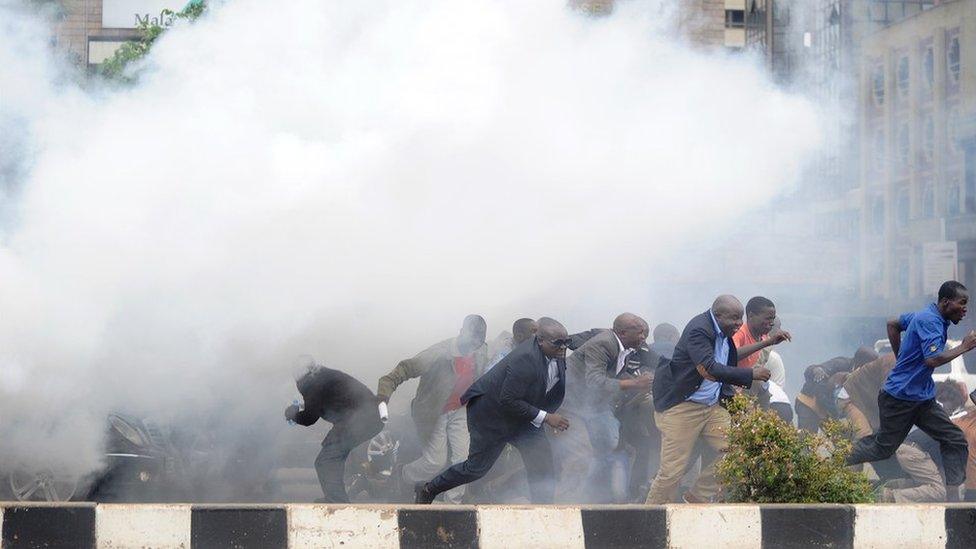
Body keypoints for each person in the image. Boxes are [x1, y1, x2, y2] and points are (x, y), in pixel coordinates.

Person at [415, 317, 571, 504]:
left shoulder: (558, 353)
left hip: (524, 418)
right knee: (475, 468)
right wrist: (546, 417)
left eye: (566, 342)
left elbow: (547, 389)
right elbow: (508, 399)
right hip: (493, 417)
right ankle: (428, 489)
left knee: (542, 464)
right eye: (558, 343)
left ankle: (544, 511)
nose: (563, 347)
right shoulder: (525, 358)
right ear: (540, 341)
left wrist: (549, 416)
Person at [847, 280, 976, 501]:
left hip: (921, 398)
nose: (965, 310)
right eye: (961, 304)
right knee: (883, 448)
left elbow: (892, 323)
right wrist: (963, 347)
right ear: (945, 302)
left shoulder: (927, 314)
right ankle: (840, 456)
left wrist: (901, 357)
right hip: (899, 398)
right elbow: (932, 359)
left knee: (954, 438)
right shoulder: (931, 321)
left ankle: (953, 497)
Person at [645, 296, 769, 504]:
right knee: (671, 472)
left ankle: (696, 497)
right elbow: (709, 369)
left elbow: (728, 360)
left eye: (741, 318)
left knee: (741, 452)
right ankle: (648, 519)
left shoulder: (725, 331)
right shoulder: (699, 330)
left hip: (711, 407)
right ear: (718, 315)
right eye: (734, 319)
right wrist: (751, 375)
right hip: (683, 407)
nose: (739, 324)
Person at [376, 315, 490, 503]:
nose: (473, 348)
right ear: (461, 332)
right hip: (434, 411)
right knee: (435, 462)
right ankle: (402, 475)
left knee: (463, 462)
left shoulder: (480, 348)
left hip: (461, 408)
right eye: (470, 342)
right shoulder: (439, 353)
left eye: (477, 344)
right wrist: (383, 394)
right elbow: (404, 369)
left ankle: (451, 504)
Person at [553, 313, 653, 502]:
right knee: (579, 456)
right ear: (623, 333)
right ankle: (564, 506)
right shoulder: (603, 344)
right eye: (640, 333)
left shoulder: (626, 347)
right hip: (572, 407)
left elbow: (613, 376)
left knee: (615, 448)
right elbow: (595, 381)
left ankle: (604, 498)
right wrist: (634, 384)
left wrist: (636, 382)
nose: (643, 337)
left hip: (595, 408)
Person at [284, 363, 384, 503]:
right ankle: (340, 496)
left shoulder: (312, 384)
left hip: (358, 420)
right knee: (331, 456)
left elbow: (309, 418)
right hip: (366, 418)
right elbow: (329, 402)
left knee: (326, 461)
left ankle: (338, 503)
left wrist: (292, 414)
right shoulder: (325, 376)